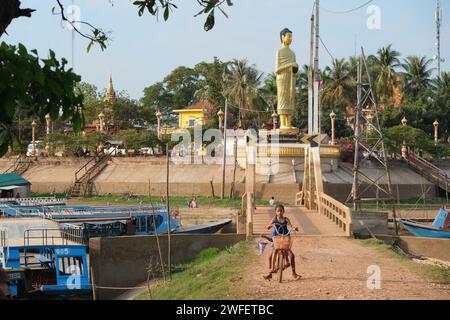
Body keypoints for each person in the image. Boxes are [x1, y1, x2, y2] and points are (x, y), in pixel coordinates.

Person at [263, 204, 301, 281]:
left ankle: (294, 273)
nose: (279, 212)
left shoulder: (286, 219)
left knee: (292, 255)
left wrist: (294, 228)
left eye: (281, 211)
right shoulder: (274, 219)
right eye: (278, 211)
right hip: (276, 238)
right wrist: (269, 226)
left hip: (285, 237)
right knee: (272, 255)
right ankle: (270, 272)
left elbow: (291, 226)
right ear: (275, 212)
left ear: (283, 211)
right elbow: (269, 225)